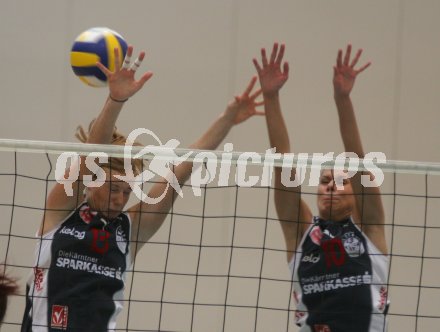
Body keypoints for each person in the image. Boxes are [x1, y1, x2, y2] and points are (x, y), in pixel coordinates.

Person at [21, 46, 263, 332]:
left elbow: (184, 167)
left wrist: (227, 120)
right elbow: (90, 156)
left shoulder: (129, 229)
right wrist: (116, 99)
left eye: (127, 192)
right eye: (113, 188)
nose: (120, 199)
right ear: (92, 180)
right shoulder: (60, 213)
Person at [253, 43, 389, 332]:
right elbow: (283, 162)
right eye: (325, 181)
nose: (331, 187)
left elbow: (356, 157)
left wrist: (342, 98)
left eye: (341, 183)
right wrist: (271, 96)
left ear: (356, 194)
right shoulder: (301, 231)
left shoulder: (370, 229)